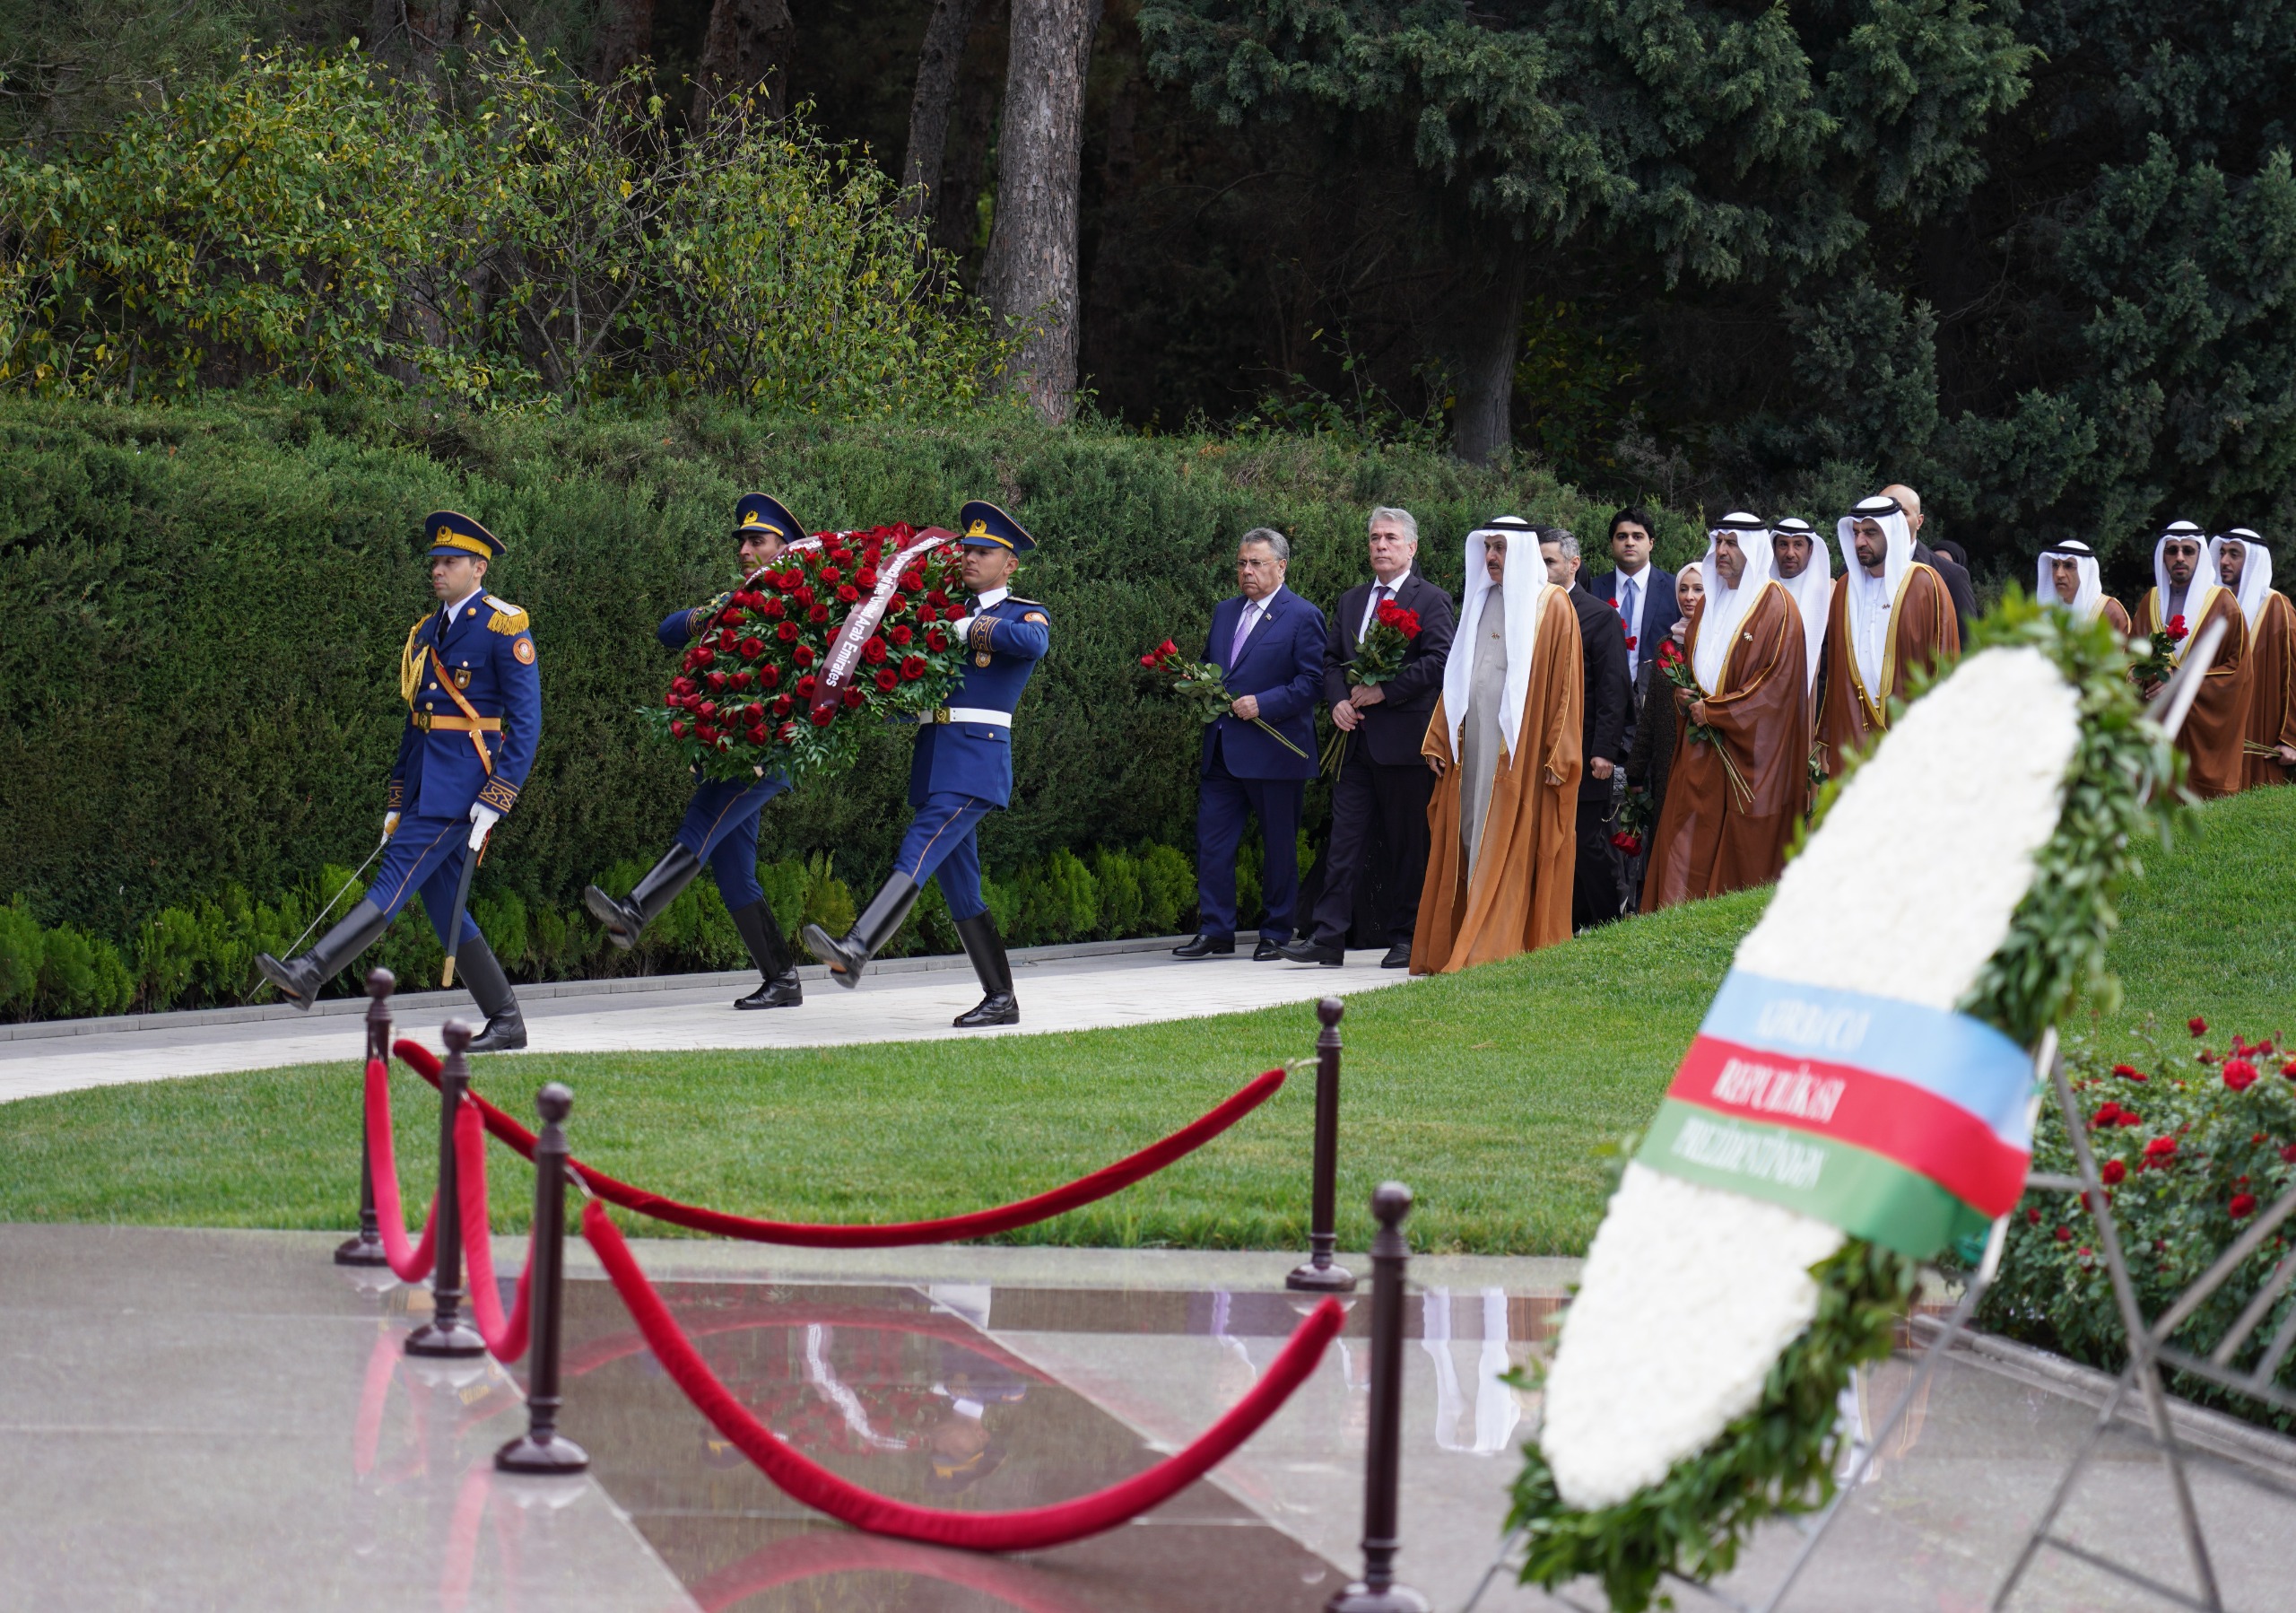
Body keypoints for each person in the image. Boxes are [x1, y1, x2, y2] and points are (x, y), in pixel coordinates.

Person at [256, 512, 541, 1051]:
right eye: (435, 561)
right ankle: (507, 1022)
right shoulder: (427, 631)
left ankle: (310, 973)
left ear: (478, 568)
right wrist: (397, 796)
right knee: (440, 904)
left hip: (462, 789)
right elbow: (420, 722)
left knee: (391, 883)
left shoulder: (504, 624)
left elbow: (526, 722)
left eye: (450, 561)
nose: (438, 570)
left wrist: (499, 795)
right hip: (426, 786)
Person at [802, 501, 1048, 1026]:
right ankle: (1001, 999)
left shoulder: (1020, 613)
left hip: (976, 760)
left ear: (1011, 565)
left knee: (919, 845)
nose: (970, 558)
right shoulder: (938, 609)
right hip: (938, 755)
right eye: (968, 549)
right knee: (962, 888)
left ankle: (856, 947)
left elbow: (1033, 643)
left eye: (985, 552)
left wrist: (968, 629)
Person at [583, 493, 807, 1009]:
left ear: (786, 549)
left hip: (761, 754)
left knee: (698, 829)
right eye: (743, 542)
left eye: (758, 541)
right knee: (734, 875)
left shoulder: (802, 609)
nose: (746, 550)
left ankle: (634, 910)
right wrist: (708, 614)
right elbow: (666, 632)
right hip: (728, 750)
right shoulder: (734, 602)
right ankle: (782, 979)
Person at [1277, 507, 1456, 968]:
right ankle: (1328, 937)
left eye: (1391, 538)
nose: (1380, 545)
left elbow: (1439, 662)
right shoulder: (1352, 600)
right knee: (1344, 841)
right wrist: (1337, 700)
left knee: (1406, 844)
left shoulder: (1430, 599)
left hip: (1405, 744)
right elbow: (1331, 659)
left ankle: (1407, 936)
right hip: (1355, 744)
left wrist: (1385, 691)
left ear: (1411, 547)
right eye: (1375, 537)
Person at [1411, 517, 1583, 972]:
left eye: (1501, 549)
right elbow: (1458, 675)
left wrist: (1558, 753)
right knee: (1468, 833)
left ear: (1522, 552)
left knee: (1507, 838)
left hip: (1519, 754)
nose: (1491, 557)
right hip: (1472, 747)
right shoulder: (1480, 599)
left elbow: (1565, 688)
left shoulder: (1553, 604)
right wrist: (1440, 735)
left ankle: (1494, 947)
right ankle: (1464, 940)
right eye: (1487, 547)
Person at [1639, 515, 1808, 911]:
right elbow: (1698, 669)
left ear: (1752, 550)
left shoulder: (1777, 606)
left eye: (1732, 543)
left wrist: (1716, 711)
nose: (1722, 552)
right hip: (1700, 748)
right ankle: (1674, 918)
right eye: (1719, 542)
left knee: (1736, 850)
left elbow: (1775, 689)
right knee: (1684, 837)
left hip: (1747, 757)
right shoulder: (1709, 605)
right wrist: (1686, 694)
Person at [1174, 528, 1326, 960]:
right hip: (1222, 748)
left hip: (1275, 752)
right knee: (1212, 842)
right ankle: (1216, 930)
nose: (1246, 571)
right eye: (1241, 563)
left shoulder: (1302, 615)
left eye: (1256, 563)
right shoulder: (1225, 612)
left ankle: (1276, 932)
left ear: (1281, 566)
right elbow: (1214, 663)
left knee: (1279, 846)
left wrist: (1265, 703)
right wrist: (1197, 679)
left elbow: (1313, 682)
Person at [1814, 493, 1961, 777]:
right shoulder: (1845, 588)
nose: (1859, 542)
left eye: (1870, 533)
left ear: (1892, 534)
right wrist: (1829, 735)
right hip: (1853, 738)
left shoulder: (1925, 585)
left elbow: (1945, 666)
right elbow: (1833, 670)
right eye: (1856, 533)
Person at [1539, 527, 1631, 929]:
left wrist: (1605, 751)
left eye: (1550, 562)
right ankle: (1567, 923)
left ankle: (1609, 922)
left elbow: (1614, 688)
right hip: (1541, 752)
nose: (1543, 570)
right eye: (1538, 562)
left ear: (1573, 564)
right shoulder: (1530, 609)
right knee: (1552, 842)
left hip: (1585, 750)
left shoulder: (1599, 615)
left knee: (1586, 842)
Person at [2133, 519, 2248, 799]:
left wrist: (2181, 681)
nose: (2180, 557)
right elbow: (2131, 654)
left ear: (2200, 555)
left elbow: (2237, 671)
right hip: (2158, 724)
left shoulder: (2224, 604)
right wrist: (2143, 674)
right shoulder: (2151, 601)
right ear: (2163, 556)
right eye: (2172, 551)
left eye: (2188, 550)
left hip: (2202, 732)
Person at [2217, 528, 2296, 787]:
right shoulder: (2219, 607)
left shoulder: (2278, 608)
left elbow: (2292, 678)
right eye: (2222, 553)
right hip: (2220, 726)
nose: (2224, 561)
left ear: (2252, 560)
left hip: (2261, 728)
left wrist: (2290, 739)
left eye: (2234, 555)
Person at [1587, 506, 1680, 699]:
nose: (1629, 542)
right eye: (1622, 537)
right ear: (1612, 544)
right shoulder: (1592, 590)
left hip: (1658, 702)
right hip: (1602, 700)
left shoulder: (1675, 590)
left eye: (1637, 536)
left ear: (1651, 543)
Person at [1878, 483, 1978, 642]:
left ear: (1919, 521)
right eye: (1885, 513)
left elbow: (1968, 646)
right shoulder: (1852, 572)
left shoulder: (1950, 576)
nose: (1894, 520)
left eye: (1902, 513)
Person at [1770, 517, 1831, 694]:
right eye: (1783, 545)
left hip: (1812, 693)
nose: (1790, 553)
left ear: (1810, 550)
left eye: (1798, 545)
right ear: (1774, 549)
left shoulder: (1828, 594)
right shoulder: (1762, 592)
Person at [2034, 539, 2131, 633]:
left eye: (2068, 566)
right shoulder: (2045, 611)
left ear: (2085, 571)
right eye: (2055, 565)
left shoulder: (2110, 612)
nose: (2059, 574)